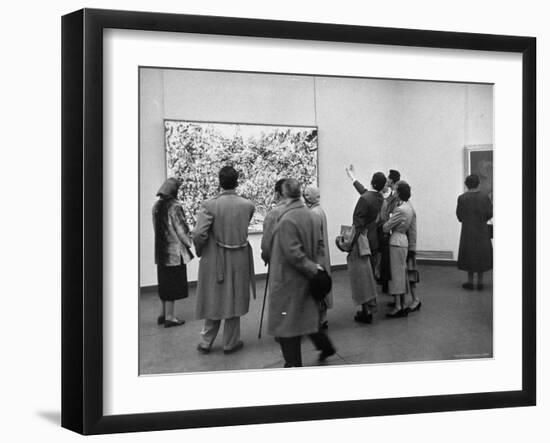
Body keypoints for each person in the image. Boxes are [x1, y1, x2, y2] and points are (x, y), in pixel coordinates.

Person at [267, 179, 336, 367]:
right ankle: (324, 347)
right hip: (308, 279)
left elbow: (293, 254)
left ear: (283, 195)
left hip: (289, 282)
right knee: (306, 319)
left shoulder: (286, 220)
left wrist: (313, 269)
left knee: (287, 326)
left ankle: (293, 366)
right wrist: (318, 268)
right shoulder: (312, 216)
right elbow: (319, 245)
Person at [193, 166, 256, 354]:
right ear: (237, 181)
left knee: (215, 298)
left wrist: (200, 251)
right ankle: (230, 343)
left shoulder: (210, 205)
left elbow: (198, 234)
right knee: (234, 299)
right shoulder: (248, 205)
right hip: (239, 259)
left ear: (219, 181)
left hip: (215, 260)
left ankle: (206, 342)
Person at [341, 169, 386, 324]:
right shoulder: (379, 197)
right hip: (371, 240)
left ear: (372, 182)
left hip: (360, 241)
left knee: (361, 277)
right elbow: (365, 192)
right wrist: (353, 178)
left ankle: (366, 311)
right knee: (369, 275)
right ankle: (369, 308)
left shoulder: (365, 200)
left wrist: (348, 244)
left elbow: (358, 224)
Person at [152, 177, 193, 328]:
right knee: (172, 284)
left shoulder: (156, 206)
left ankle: (162, 314)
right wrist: (189, 242)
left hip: (160, 251)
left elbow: (156, 228)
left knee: (163, 282)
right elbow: (181, 229)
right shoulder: (175, 206)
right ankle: (170, 317)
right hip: (174, 253)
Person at [383, 181, 418, 317]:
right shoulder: (409, 207)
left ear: (399, 193)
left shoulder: (400, 209)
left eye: (396, 190)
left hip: (396, 241)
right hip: (404, 241)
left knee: (396, 275)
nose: (394, 192)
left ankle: (398, 306)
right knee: (401, 274)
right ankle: (401, 302)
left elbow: (386, 227)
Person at [456, 174, 493, 290]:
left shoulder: (462, 198)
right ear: (478, 183)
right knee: (481, 255)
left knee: (469, 255)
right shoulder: (484, 197)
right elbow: (489, 214)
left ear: (466, 184)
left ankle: (470, 282)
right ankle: (480, 282)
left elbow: (459, 216)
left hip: (467, 231)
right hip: (481, 230)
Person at [303, 185, 332, 329]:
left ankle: (320, 319)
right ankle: (322, 318)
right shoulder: (319, 210)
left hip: (316, 255)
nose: (305, 197)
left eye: (308, 195)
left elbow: (314, 238)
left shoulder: (313, 213)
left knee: (318, 287)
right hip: (322, 254)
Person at [261, 178, 287, 265]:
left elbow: (266, 244)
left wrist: (266, 257)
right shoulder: (306, 212)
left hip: (279, 264)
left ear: (277, 194)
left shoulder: (273, 214)